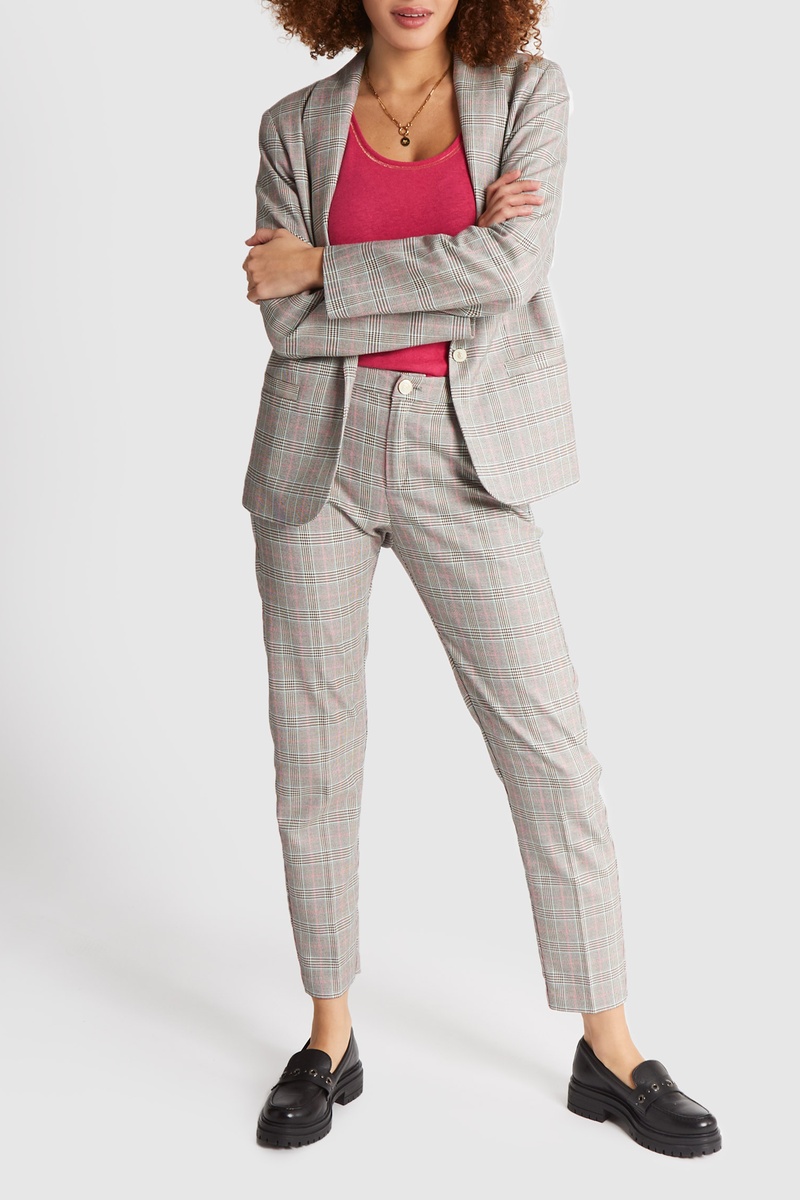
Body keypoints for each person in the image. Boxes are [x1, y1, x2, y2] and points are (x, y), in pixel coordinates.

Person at [241, 0, 721, 1157]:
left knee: (549, 751)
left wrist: (330, 266)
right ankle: (327, 1035)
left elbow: (511, 269)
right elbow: (284, 322)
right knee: (315, 751)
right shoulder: (293, 123)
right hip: (313, 454)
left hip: (465, 451)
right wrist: (437, 264)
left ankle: (609, 1049)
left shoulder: (527, 98)